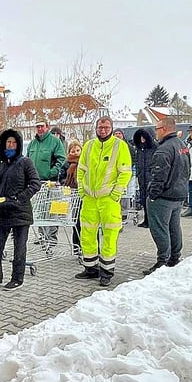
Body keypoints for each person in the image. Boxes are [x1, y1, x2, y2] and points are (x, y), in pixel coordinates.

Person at [74, 116, 132, 287]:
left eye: (106, 127)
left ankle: (106, 272)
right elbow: (81, 169)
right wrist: (81, 191)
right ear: (96, 128)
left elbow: (125, 172)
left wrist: (116, 194)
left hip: (108, 199)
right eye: (100, 127)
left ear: (111, 128)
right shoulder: (89, 145)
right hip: (90, 199)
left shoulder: (119, 146)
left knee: (109, 235)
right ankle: (90, 268)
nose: (103, 130)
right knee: (87, 234)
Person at [0, 129, 41, 291]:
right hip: (2, 211)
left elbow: (35, 183)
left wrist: (18, 198)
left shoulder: (25, 162)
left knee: (19, 247)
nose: (11, 145)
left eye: (14, 142)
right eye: (8, 142)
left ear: (19, 145)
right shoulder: (0, 163)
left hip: (20, 212)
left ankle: (17, 278)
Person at [144, 116, 189, 276]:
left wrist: (153, 194)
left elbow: (159, 175)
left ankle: (163, 260)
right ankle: (174, 257)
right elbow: (186, 170)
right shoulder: (181, 145)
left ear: (163, 129)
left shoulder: (164, 149)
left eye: (157, 129)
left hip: (164, 197)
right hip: (179, 194)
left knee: (160, 229)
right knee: (174, 227)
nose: (155, 133)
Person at [26, 119, 66, 246]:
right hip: (36, 183)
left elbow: (61, 158)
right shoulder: (32, 144)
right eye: (37, 127)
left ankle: (52, 238)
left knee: (52, 211)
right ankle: (42, 236)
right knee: (40, 210)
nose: (39, 129)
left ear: (47, 127)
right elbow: (27, 160)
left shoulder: (55, 142)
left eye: (42, 126)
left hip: (51, 182)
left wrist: (52, 172)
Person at [58, 140, 83, 250]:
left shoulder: (84, 162)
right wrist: (66, 183)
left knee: (85, 222)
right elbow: (61, 177)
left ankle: (86, 246)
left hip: (83, 193)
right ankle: (76, 246)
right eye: (73, 151)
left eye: (78, 150)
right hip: (72, 194)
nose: (76, 153)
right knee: (76, 221)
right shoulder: (66, 163)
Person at [132, 128, 157, 228]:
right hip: (142, 177)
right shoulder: (139, 148)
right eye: (141, 137)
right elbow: (137, 161)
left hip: (150, 177)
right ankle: (146, 220)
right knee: (143, 199)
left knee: (151, 200)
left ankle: (152, 221)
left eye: (144, 136)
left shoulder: (155, 147)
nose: (142, 139)